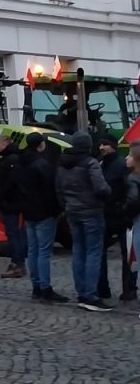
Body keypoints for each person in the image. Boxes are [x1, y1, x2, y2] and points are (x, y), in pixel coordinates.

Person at [55, 131, 112, 312]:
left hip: (72, 210)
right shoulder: (90, 163)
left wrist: (66, 205)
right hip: (91, 211)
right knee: (93, 252)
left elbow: (58, 189)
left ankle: (81, 293)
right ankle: (90, 295)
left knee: (78, 251)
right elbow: (101, 187)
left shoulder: (62, 163)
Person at [16, 132, 67, 303]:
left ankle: (36, 286)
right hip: (44, 212)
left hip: (28, 210)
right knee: (44, 251)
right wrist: (58, 209)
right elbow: (51, 190)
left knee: (33, 249)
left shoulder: (20, 161)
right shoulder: (42, 164)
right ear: (40, 145)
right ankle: (45, 288)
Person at [97, 135, 133, 301]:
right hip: (106, 214)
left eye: (105, 144)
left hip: (119, 215)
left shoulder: (119, 165)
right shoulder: (101, 163)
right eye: (100, 144)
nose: (101, 147)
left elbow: (125, 190)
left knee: (128, 254)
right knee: (100, 252)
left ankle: (129, 289)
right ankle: (103, 287)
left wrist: (122, 208)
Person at [0, 134, 26, 279]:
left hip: (10, 202)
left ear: (4, 144)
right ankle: (17, 261)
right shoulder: (10, 158)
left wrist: (1, 195)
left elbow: (8, 182)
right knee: (15, 233)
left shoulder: (11, 160)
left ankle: (18, 263)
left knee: (13, 233)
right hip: (12, 201)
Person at [124, 144, 140, 317]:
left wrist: (125, 212)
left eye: (129, 155)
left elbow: (133, 201)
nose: (126, 158)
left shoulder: (133, 179)